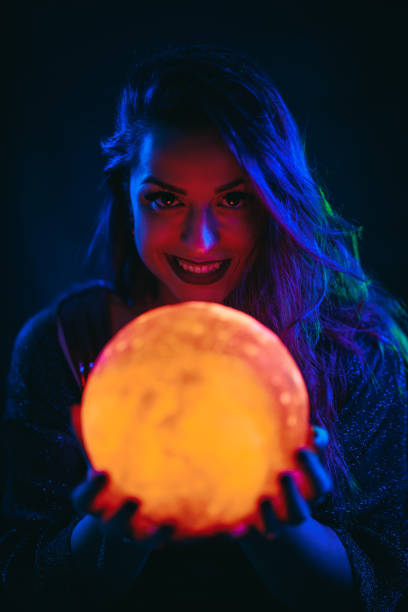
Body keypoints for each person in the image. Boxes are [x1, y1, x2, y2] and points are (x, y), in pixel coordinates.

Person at [1, 42, 408, 612]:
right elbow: (20, 584)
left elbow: (389, 586)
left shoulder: (357, 352)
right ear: (127, 197)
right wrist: (111, 537)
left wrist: (278, 532)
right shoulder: (62, 347)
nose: (201, 241)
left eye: (233, 199)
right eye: (165, 200)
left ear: (274, 200)